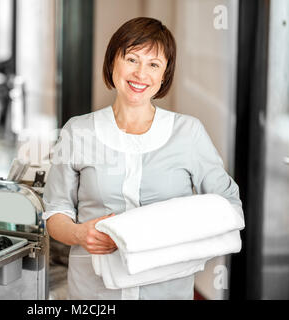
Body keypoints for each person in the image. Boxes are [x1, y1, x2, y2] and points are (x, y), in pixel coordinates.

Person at [42, 17, 244, 300]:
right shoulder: (78, 131)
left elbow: (228, 205)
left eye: (154, 64)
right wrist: (79, 234)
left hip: (167, 291)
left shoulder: (188, 133)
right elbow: (55, 211)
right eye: (132, 59)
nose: (140, 74)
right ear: (113, 61)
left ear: (164, 75)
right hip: (94, 292)